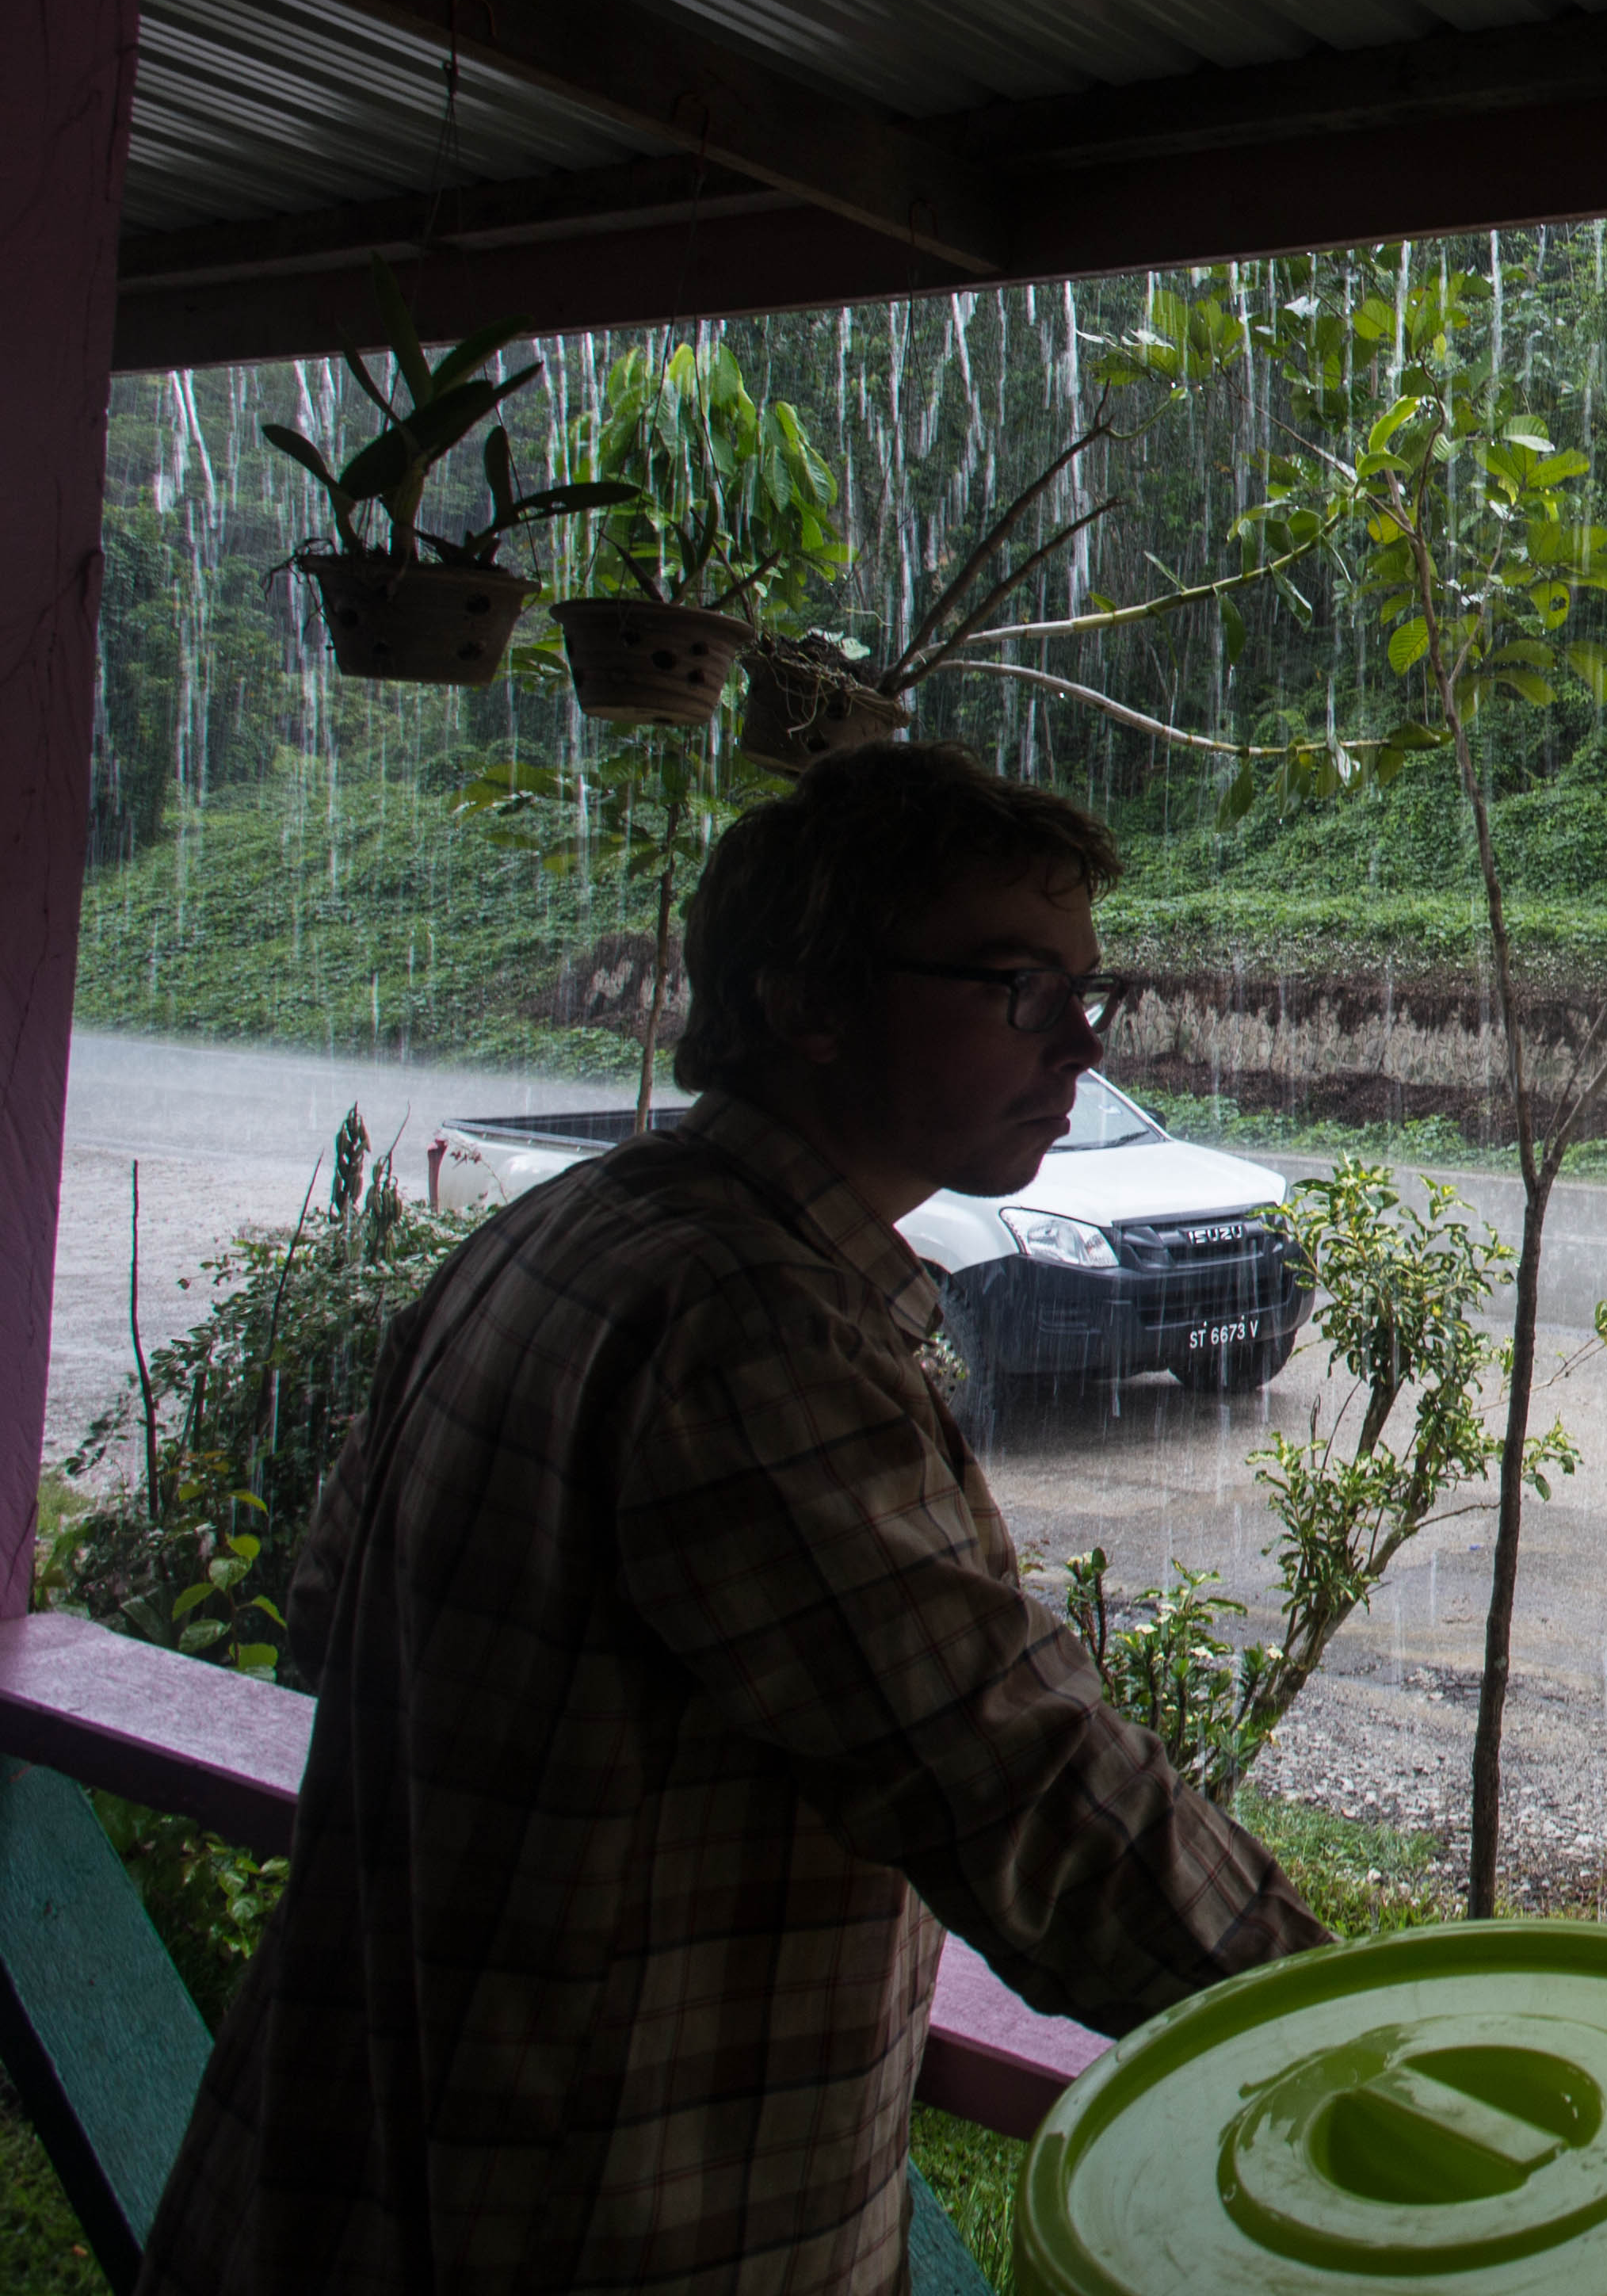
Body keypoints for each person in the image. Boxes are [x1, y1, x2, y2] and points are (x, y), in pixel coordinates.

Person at [144, 744, 1323, 2294]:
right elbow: (1015, 1782)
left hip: (343, 2173)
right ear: (809, 1002)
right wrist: (1352, 2031)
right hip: (588, 2222)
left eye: (1091, 991)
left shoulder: (563, 1231)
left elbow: (321, 1616)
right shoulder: (752, 1327)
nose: (1082, 1047)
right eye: (1019, 987)